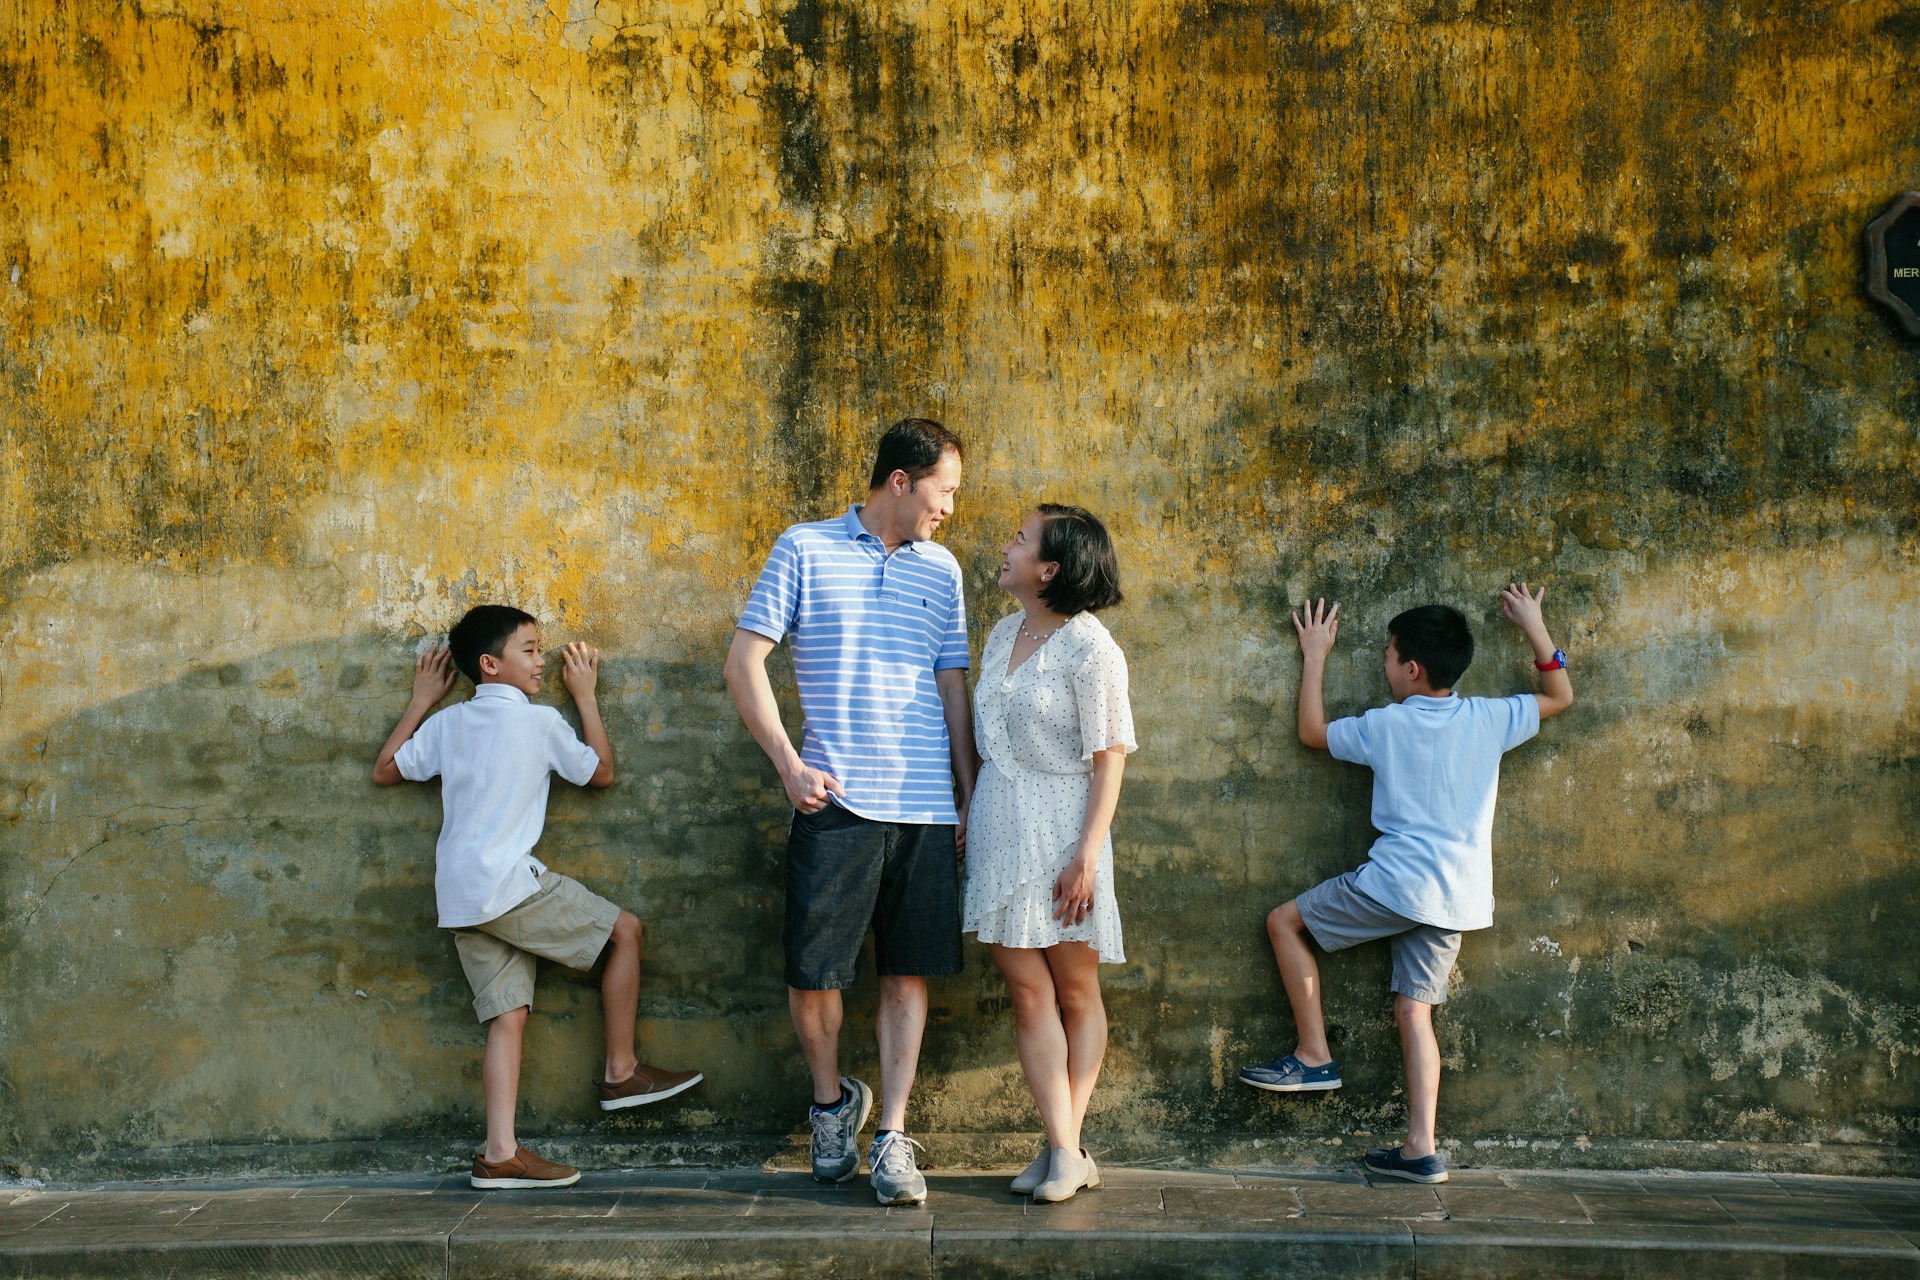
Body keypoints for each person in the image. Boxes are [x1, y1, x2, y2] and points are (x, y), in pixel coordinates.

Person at [723, 420, 978, 1207]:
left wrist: (968, 793)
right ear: (900, 481)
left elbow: (952, 688)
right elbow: (744, 661)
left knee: (907, 973)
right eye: (945, 489)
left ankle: (893, 1134)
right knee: (814, 973)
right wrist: (788, 765)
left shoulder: (944, 569)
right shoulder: (803, 547)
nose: (951, 509)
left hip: (926, 809)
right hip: (835, 803)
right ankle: (831, 1108)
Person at [1240, 585, 1574, 1185]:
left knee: (1283, 922)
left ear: (1411, 669)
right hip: (1458, 897)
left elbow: (1312, 733)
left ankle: (1314, 1055)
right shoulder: (1491, 717)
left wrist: (1314, 654)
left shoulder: (1386, 725)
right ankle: (1421, 1148)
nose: (1384, 664)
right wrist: (1534, 624)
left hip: (1395, 886)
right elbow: (1560, 694)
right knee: (1413, 1013)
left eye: (1388, 656)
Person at [374, 605, 702, 1189]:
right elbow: (599, 773)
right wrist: (587, 696)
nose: (542, 660)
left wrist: (423, 699)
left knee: (508, 1014)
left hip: (459, 894)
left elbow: (386, 770)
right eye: (529, 650)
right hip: (507, 886)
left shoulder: (449, 726)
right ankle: (621, 1071)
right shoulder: (541, 721)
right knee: (625, 931)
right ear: (489, 664)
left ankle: (499, 1153)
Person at [963, 504, 1134, 1204]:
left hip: (1067, 836)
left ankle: (1064, 1147)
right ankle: (1065, 1148)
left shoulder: (1094, 650)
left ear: (1051, 567)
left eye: (1020, 539)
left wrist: (1088, 856)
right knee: (1027, 993)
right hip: (1000, 830)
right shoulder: (1004, 631)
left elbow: (1110, 759)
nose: (1005, 547)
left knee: (1073, 991)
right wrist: (968, 808)